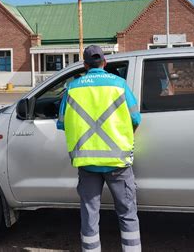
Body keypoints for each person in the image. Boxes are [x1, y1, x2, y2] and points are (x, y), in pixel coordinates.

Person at [56, 45, 142, 252]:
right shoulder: (120, 84)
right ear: (105, 62)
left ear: (85, 65)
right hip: (118, 163)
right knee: (127, 214)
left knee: (90, 214)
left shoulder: (72, 88)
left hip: (87, 164)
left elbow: (62, 123)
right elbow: (135, 119)